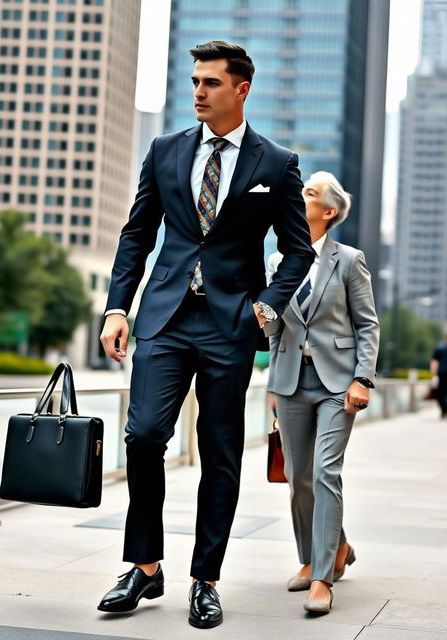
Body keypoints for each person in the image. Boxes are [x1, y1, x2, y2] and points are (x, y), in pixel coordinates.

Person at [97, 41, 315, 628]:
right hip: (165, 317)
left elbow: (297, 251)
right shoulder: (165, 150)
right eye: (195, 80)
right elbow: (135, 234)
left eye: (211, 83)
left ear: (241, 89)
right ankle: (144, 566)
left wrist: (266, 308)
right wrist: (117, 308)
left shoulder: (276, 163)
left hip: (230, 324)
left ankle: (205, 578)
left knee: (220, 453)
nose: (198, 91)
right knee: (143, 436)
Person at [266, 171, 379, 614]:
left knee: (325, 472)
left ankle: (322, 580)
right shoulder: (279, 262)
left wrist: (363, 378)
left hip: (338, 384)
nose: (300, 197)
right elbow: (277, 331)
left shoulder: (349, 260)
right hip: (292, 381)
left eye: (308, 193)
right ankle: (329, 549)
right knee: (299, 479)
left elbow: (367, 324)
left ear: (328, 211)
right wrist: (274, 380)